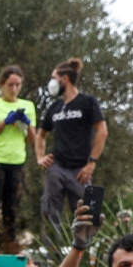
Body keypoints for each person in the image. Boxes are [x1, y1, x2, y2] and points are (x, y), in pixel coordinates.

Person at [34, 59, 105, 231]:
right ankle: (53, 255)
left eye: (54, 77)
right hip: (57, 167)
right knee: (50, 215)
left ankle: (85, 255)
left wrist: (91, 162)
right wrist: (40, 157)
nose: (51, 82)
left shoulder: (88, 102)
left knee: (87, 215)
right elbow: (41, 135)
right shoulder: (55, 107)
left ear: (64, 79)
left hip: (81, 169)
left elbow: (102, 131)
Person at [0, 66, 37, 254]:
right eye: (10, 84)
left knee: (12, 210)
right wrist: (4, 122)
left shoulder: (28, 106)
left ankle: (11, 254)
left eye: (17, 84)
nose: (14, 88)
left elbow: (31, 140)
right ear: (2, 84)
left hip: (17, 161)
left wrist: (28, 124)